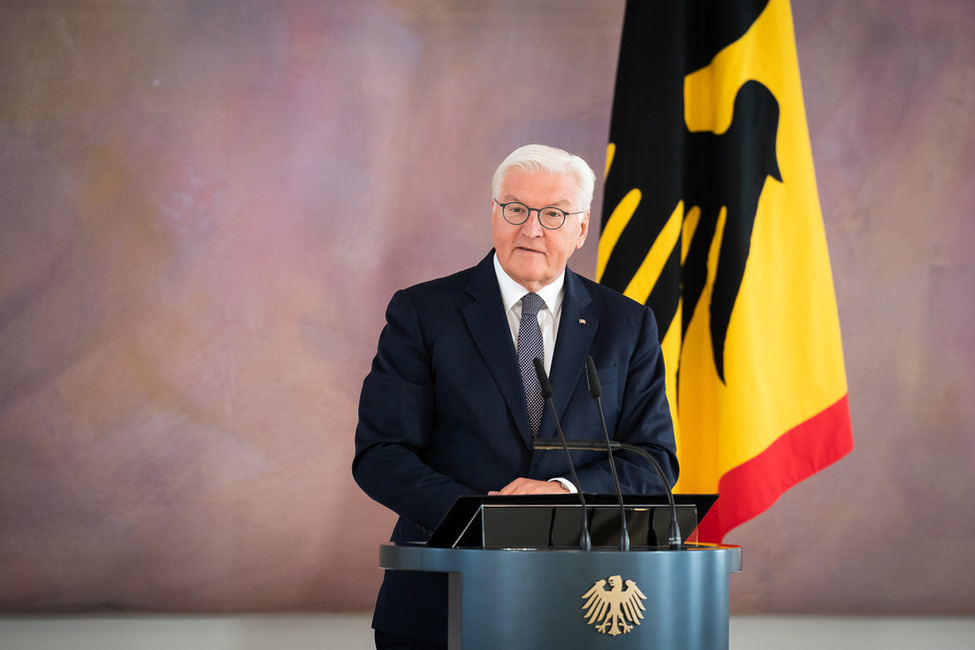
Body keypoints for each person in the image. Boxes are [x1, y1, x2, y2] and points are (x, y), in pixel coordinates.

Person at [352, 144, 678, 650]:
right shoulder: (422, 312)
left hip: (586, 603)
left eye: (553, 214)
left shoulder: (628, 324)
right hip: (442, 599)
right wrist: (482, 519)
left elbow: (654, 462)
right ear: (494, 212)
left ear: (581, 228)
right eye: (516, 209)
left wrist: (564, 495)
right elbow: (381, 454)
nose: (531, 229)